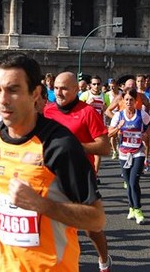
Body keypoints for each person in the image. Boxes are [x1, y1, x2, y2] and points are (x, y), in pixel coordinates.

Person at [0, 53, 105, 271]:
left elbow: (97, 219)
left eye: (13, 90)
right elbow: (8, 196)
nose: (2, 100)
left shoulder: (60, 144)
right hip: (1, 265)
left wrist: (42, 205)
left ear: (35, 93)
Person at [44, 71, 112, 272]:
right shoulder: (47, 112)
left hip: (81, 175)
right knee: (53, 224)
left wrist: (74, 147)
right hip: (53, 176)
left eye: (64, 88)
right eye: (56, 88)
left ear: (76, 89)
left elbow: (105, 147)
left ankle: (104, 260)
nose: (59, 92)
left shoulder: (88, 112)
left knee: (92, 229)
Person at [109, 88, 150, 225]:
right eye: (126, 100)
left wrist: (147, 134)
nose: (128, 102)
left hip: (138, 152)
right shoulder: (118, 116)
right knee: (128, 184)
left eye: (131, 100)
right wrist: (118, 128)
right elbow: (109, 134)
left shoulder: (141, 114)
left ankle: (138, 210)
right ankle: (131, 207)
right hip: (123, 153)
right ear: (123, 101)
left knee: (134, 182)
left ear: (135, 101)